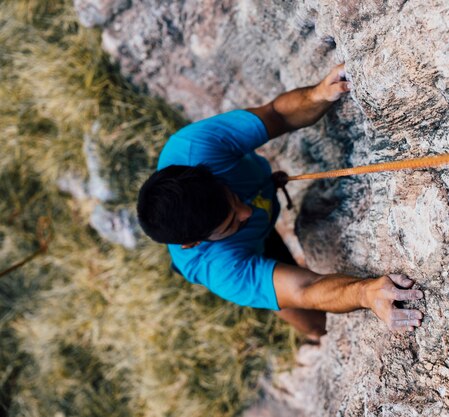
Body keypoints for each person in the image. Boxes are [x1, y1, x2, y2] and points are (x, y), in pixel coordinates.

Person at [137, 63, 424, 340]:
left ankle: (261, 271)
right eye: (230, 220)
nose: (246, 210)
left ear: (204, 171)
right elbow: (306, 289)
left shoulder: (195, 148)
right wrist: (365, 293)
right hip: (241, 251)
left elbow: (277, 115)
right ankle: (263, 282)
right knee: (315, 326)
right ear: (195, 242)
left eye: (234, 197)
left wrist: (318, 94)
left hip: (245, 232)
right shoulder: (222, 268)